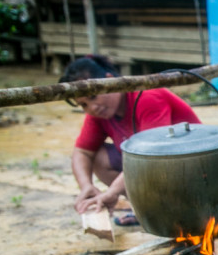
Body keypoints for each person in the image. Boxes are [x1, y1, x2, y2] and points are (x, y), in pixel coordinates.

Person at [62, 55, 201, 217]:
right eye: (83, 104)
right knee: (97, 157)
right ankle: (146, 209)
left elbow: (151, 156)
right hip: (151, 165)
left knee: (146, 162)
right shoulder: (98, 112)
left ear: (109, 81)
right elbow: (82, 152)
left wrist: (113, 191)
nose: (92, 107)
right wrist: (86, 186)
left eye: (93, 96)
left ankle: (166, 210)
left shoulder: (147, 95)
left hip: (189, 169)